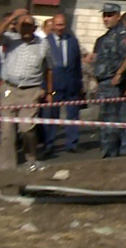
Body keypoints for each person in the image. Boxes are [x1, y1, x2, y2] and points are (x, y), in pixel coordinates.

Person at [0, 9, 53, 171]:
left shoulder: (43, 44)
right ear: (17, 27)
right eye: (22, 26)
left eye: (29, 26)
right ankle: (6, 169)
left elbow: (49, 69)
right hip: (9, 89)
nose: (26, 29)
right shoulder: (11, 39)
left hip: (31, 90)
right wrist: (11, 17)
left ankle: (31, 158)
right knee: (7, 131)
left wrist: (49, 92)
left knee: (27, 129)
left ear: (34, 28)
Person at [93, 3, 126, 158]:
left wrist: (120, 74)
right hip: (105, 86)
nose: (106, 18)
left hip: (118, 86)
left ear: (118, 16)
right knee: (107, 124)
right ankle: (108, 155)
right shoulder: (105, 38)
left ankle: (124, 155)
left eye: (110, 15)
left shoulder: (123, 35)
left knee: (124, 123)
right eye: (104, 15)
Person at [41, 13, 84, 156]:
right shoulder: (45, 42)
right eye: (57, 25)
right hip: (53, 85)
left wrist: (79, 83)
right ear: (53, 25)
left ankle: (72, 143)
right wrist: (46, 89)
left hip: (71, 83)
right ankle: (49, 144)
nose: (60, 28)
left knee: (73, 115)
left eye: (62, 25)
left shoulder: (72, 41)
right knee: (51, 116)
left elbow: (77, 63)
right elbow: (43, 67)